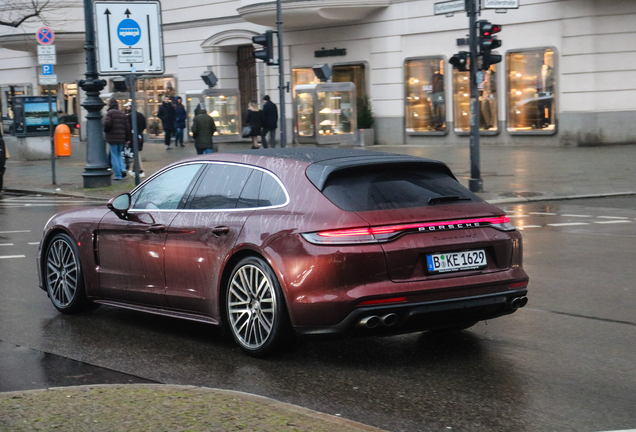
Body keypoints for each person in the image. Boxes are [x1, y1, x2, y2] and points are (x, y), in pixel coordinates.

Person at [102, 98, 130, 181]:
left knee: (114, 156)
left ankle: (118, 175)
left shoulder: (110, 113)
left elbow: (107, 124)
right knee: (119, 155)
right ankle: (123, 169)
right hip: (121, 138)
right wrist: (127, 138)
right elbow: (127, 127)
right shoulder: (122, 113)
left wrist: (106, 130)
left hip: (112, 137)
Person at [125, 101, 147, 178]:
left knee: (136, 154)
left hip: (132, 137)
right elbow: (144, 125)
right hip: (140, 136)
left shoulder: (129, 116)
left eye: (128, 107)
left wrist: (127, 138)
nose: (127, 108)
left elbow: (127, 127)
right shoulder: (141, 115)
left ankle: (141, 170)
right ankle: (133, 169)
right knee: (136, 153)